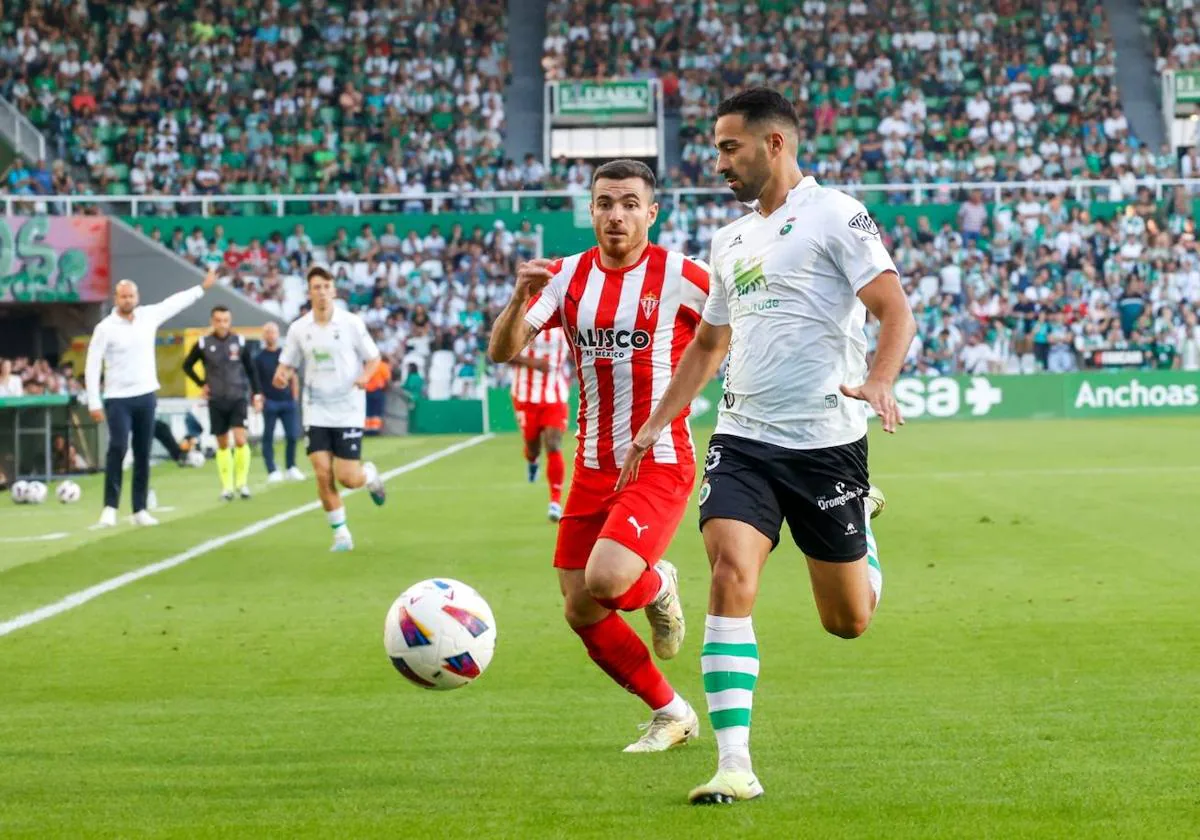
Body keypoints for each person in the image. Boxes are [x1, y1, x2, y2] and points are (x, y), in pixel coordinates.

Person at [618, 88, 917, 805]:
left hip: (826, 447)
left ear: (774, 144)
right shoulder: (728, 240)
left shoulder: (836, 215)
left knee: (846, 622)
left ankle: (862, 530)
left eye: (729, 147)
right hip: (743, 438)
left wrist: (878, 380)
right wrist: (661, 419)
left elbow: (894, 309)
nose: (719, 161)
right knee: (729, 570)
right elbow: (710, 344)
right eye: (718, 147)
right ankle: (734, 765)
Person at [488, 159, 710, 753]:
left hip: (658, 458)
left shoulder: (686, 276)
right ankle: (672, 713)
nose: (616, 214)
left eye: (629, 203)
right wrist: (518, 298)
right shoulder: (562, 278)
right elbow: (504, 350)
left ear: (652, 212)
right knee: (580, 608)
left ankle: (656, 583)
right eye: (605, 202)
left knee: (609, 580)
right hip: (591, 464)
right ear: (590, 209)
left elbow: (735, 334)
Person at [86, 269, 218, 527]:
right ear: (116, 298)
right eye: (123, 296)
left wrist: (202, 288)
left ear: (137, 296)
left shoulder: (148, 316)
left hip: (146, 394)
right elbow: (92, 365)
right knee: (118, 447)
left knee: (143, 451)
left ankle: (139, 510)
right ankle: (110, 508)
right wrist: (94, 401)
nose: (127, 300)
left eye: (131, 296)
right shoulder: (105, 328)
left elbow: (174, 302)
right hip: (118, 397)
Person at [273, 266, 388, 553]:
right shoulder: (299, 329)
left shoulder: (351, 324)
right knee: (322, 472)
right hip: (316, 409)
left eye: (326, 286)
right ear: (309, 292)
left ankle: (370, 476)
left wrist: (365, 376)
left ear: (334, 290)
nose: (322, 292)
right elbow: (287, 362)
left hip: (348, 408)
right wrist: (282, 374)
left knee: (348, 478)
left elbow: (374, 359)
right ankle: (341, 535)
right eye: (316, 287)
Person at [182, 305, 263, 500]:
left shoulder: (239, 341)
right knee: (223, 443)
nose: (222, 324)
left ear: (230, 321)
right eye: (218, 320)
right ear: (212, 321)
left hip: (238, 397)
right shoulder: (203, 343)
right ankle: (227, 487)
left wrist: (257, 394)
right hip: (216, 399)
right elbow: (187, 366)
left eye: (225, 320)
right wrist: (202, 384)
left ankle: (242, 484)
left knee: (241, 439)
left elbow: (251, 370)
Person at [508, 325, 570, 521]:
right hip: (525, 395)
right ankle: (532, 460)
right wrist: (532, 363)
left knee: (553, 443)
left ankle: (555, 502)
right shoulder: (525, 318)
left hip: (555, 394)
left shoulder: (569, 316)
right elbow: (502, 353)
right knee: (533, 447)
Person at [254, 321, 305, 483]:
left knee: (292, 435)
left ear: (278, 334)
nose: (271, 335)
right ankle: (272, 469)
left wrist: (295, 398)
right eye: (267, 332)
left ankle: (291, 466)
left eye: (273, 332)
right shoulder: (259, 358)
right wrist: (260, 399)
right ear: (263, 335)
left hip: (287, 400)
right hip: (270, 402)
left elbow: (294, 376)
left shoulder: (285, 356)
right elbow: (256, 381)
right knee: (268, 436)